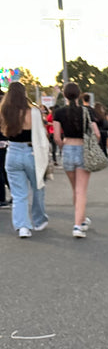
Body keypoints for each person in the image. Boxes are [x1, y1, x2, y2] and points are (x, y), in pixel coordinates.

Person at [0, 81, 48, 237]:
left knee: (18, 194)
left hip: (12, 152)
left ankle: (23, 227)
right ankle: (39, 220)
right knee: (38, 187)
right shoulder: (33, 112)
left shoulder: (4, 111)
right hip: (31, 152)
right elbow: (41, 134)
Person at [53, 82, 101, 238]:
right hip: (82, 150)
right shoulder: (87, 111)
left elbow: (56, 137)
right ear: (79, 95)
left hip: (67, 149)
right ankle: (77, 225)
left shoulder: (59, 113)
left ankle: (81, 219)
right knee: (81, 191)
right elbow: (97, 134)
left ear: (65, 95)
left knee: (75, 189)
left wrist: (62, 146)